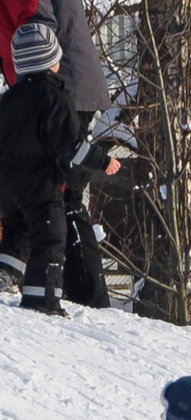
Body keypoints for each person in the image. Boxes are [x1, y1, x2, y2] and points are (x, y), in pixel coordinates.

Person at [0, 23, 120, 315]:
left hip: (7, 185)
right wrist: (103, 161)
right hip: (41, 184)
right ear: (51, 61)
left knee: (18, 229)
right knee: (51, 238)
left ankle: (3, 275)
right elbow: (72, 146)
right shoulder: (55, 100)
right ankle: (43, 298)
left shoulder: (8, 100)